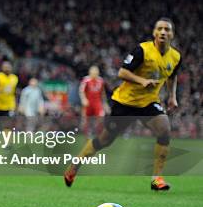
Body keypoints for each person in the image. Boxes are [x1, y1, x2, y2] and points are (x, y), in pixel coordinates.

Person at [64, 18, 181, 191]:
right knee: (105, 140)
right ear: (154, 33)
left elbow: (172, 76)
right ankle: (75, 166)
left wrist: (172, 96)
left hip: (148, 103)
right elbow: (122, 72)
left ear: (172, 34)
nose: (163, 32)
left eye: (167, 29)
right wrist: (141, 81)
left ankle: (157, 178)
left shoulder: (176, 56)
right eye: (160, 29)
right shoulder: (143, 50)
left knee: (164, 129)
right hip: (125, 103)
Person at [78, 65, 109, 137]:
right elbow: (81, 91)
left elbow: (102, 93)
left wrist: (105, 103)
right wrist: (83, 99)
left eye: (96, 71)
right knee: (85, 120)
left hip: (97, 103)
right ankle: (86, 135)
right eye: (93, 71)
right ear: (90, 72)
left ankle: (98, 134)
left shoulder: (101, 80)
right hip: (88, 103)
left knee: (101, 117)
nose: (95, 72)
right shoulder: (86, 80)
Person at [0, 61, 18, 129]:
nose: (7, 69)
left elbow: (15, 91)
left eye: (8, 67)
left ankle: (5, 136)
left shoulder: (15, 78)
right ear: (2, 68)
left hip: (9, 104)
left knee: (7, 121)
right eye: (5, 67)